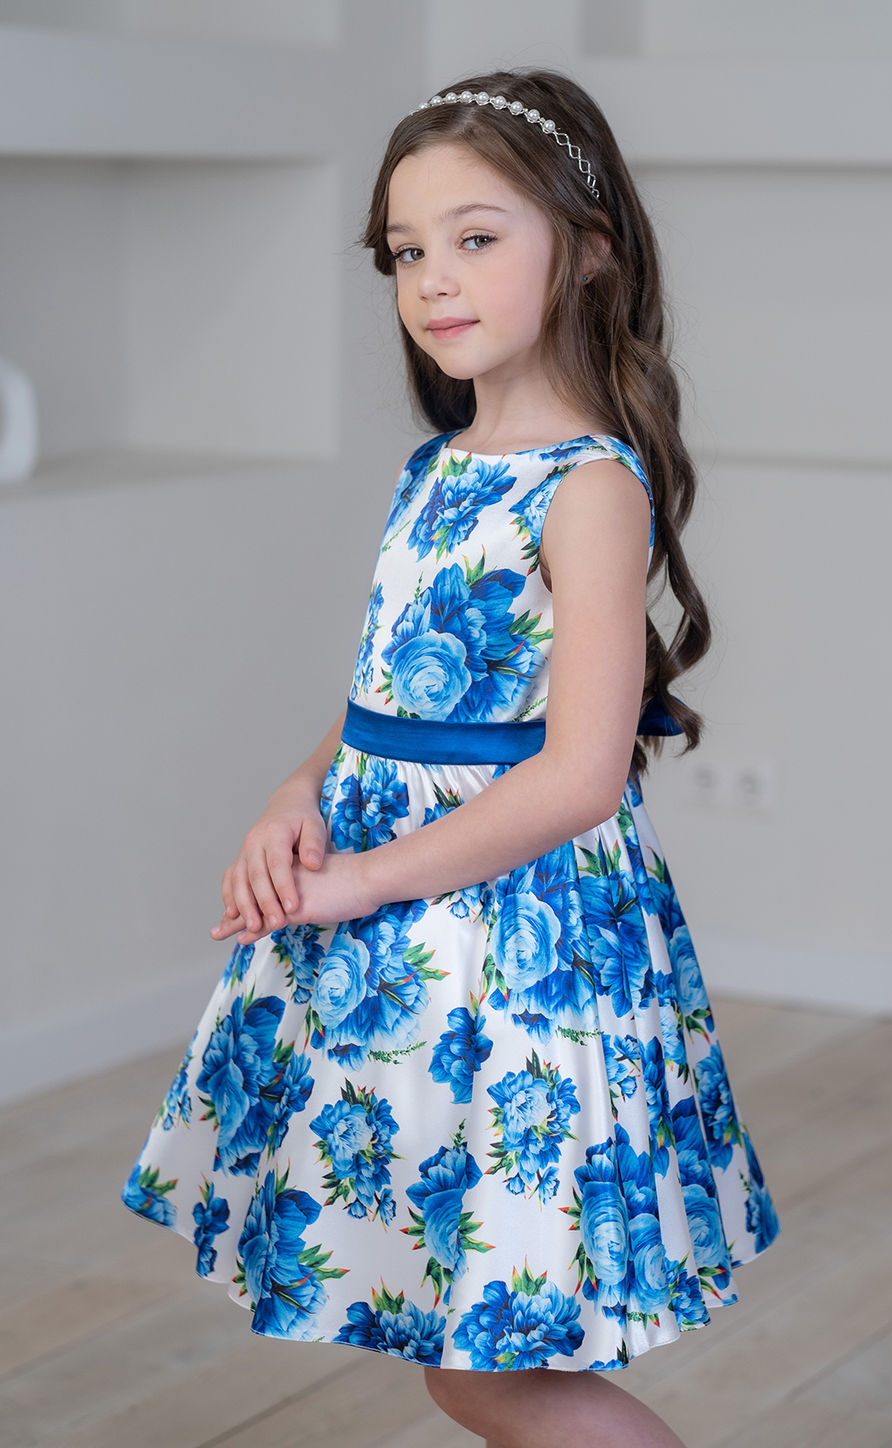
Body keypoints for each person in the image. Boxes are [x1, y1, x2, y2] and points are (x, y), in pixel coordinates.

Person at [120, 66, 780, 1448]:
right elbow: (384, 702)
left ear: (587, 248)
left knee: (490, 1365)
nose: (433, 280)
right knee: (457, 1349)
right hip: (403, 935)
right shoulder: (436, 467)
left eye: (476, 238)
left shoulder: (588, 487)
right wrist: (296, 793)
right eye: (406, 251)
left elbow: (580, 775)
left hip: (509, 945)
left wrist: (364, 882)